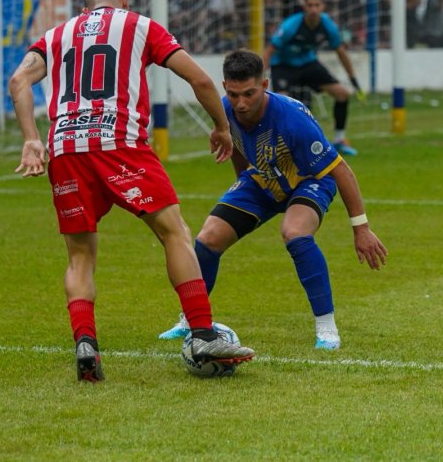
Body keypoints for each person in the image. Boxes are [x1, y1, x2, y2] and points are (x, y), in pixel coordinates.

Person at [9, 0, 255, 382]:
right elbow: (198, 78)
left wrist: (32, 139)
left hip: (66, 148)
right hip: (119, 143)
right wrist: (221, 126)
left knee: (80, 256)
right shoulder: (139, 25)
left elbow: (18, 81)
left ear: (85, 4)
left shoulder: (56, 35)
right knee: (173, 232)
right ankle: (201, 334)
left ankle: (85, 342)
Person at [158, 50, 388, 350]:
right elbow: (234, 142)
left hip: (308, 181)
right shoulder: (224, 109)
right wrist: (241, 182)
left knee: (294, 233)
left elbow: (341, 171)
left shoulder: (293, 119)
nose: (241, 103)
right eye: (233, 94)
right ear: (224, 86)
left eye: (249, 94)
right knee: (208, 238)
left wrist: (361, 228)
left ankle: (326, 326)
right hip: (262, 179)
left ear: (264, 85)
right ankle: (190, 320)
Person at [262, 0, 363, 156]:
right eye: (310, 5)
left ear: (323, 7)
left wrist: (352, 78)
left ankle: (339, 140)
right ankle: (279, 145)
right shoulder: (290, 25)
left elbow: (341, 52)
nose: (314, 9)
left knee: (342, 94)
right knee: (281, 104)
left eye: (317, 5)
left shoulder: (328, 25)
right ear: (305, 7)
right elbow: (269, 51)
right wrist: (259, 80)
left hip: (308, 63)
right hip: (284, 65)